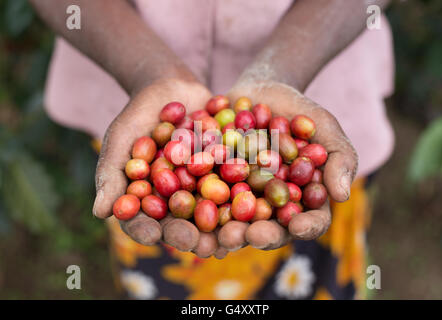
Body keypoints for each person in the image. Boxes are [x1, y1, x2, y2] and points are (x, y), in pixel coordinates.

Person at [30, 0, 394, 299]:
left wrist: (285, 67)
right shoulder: (166, 153)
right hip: (123, 87)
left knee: (317, 271)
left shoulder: (277, 158)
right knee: (163, 278)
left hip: (328, 83)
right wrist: (148, 71)